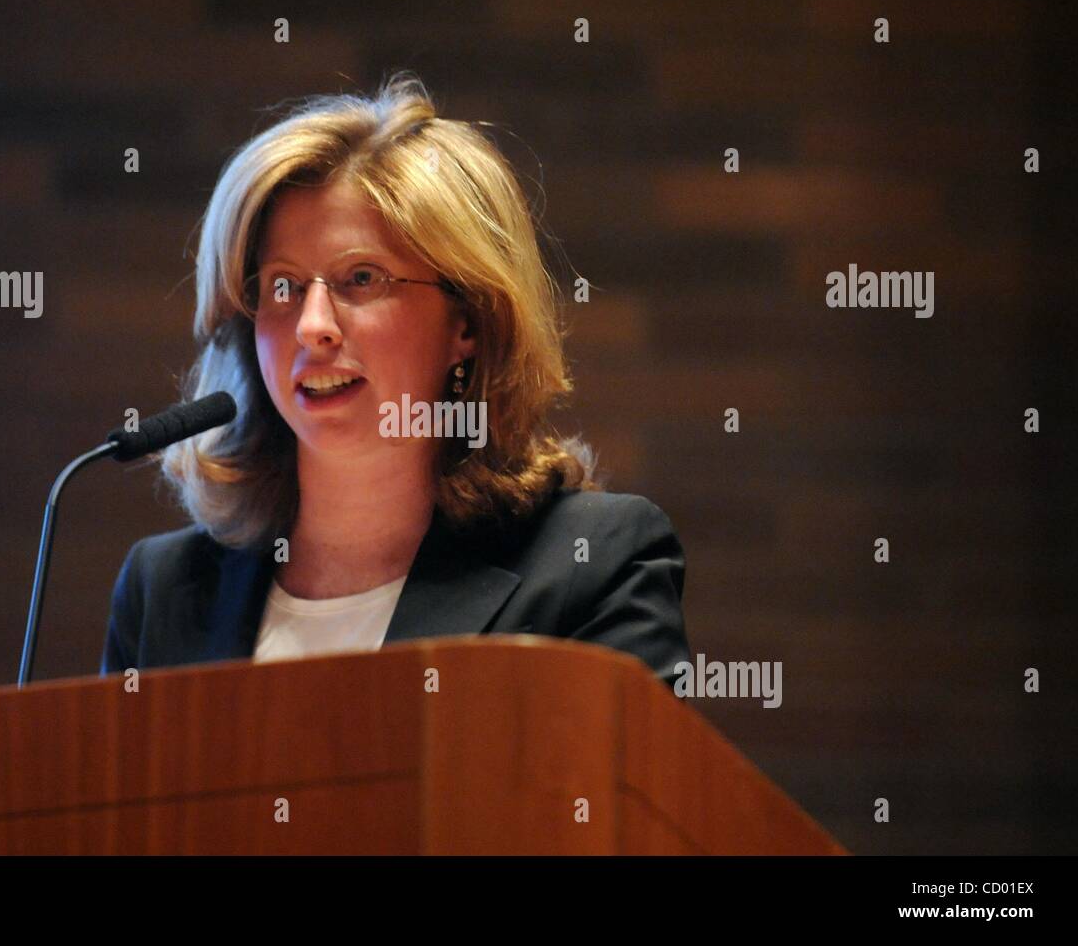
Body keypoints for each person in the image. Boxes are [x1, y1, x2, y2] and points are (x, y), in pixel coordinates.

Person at [101, 73, 688, 683]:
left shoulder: (593, 564)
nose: (312, 326)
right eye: (283, 286)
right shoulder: (164, 590)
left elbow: (618, 780)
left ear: (467, 320)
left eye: (361, 279)